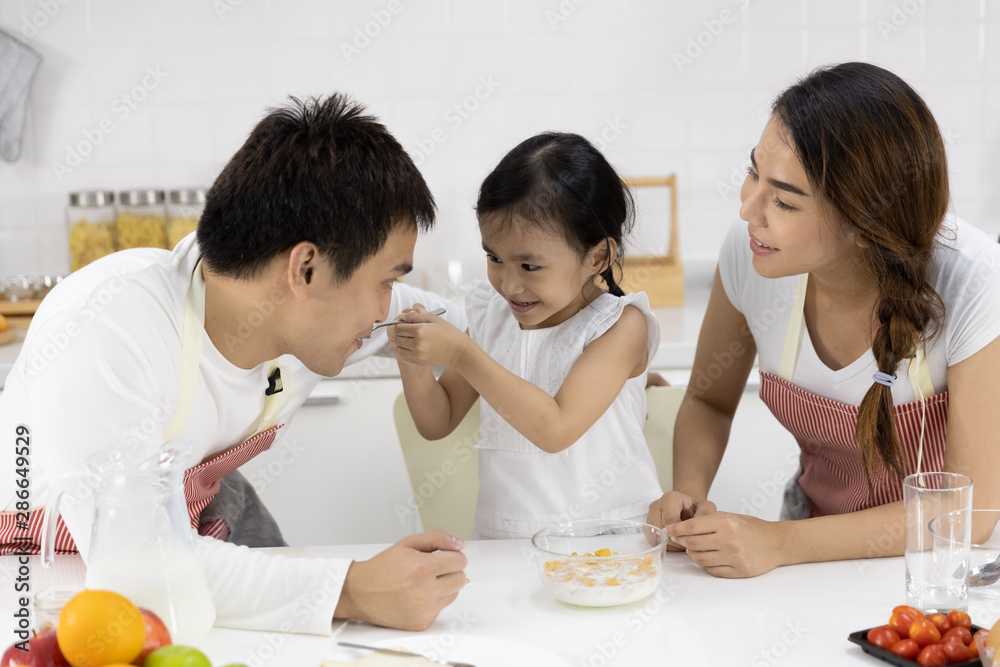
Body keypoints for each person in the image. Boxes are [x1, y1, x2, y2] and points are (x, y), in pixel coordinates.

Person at [0, 95, 469, 634]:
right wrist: (352, 588)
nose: (390, 307)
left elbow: (465, 323)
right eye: (386, 281)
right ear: (306, 268)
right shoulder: (109, 322)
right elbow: (134, 562)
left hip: (197, 524)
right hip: (46, 565)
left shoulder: (318, 316)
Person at [647, 62, 1000, 577]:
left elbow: (968, 513)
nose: (749, 209)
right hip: (814, 547)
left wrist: (781, 543)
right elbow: (707, 399)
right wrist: (688, 493)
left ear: (864, 223)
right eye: (753, 173)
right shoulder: (749, 255)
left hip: (952, 570)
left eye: (784, 201)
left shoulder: (971, 278)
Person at [388, 132, 663, 539]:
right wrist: (412, 358)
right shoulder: (491, 316)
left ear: (598, 257)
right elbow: (437, 420)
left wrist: (463, 352)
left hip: (609, 542)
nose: (509, 284)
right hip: (506, 542)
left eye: (529, 266)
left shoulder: (622, 326)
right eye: (494, 258)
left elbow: (555, 429)